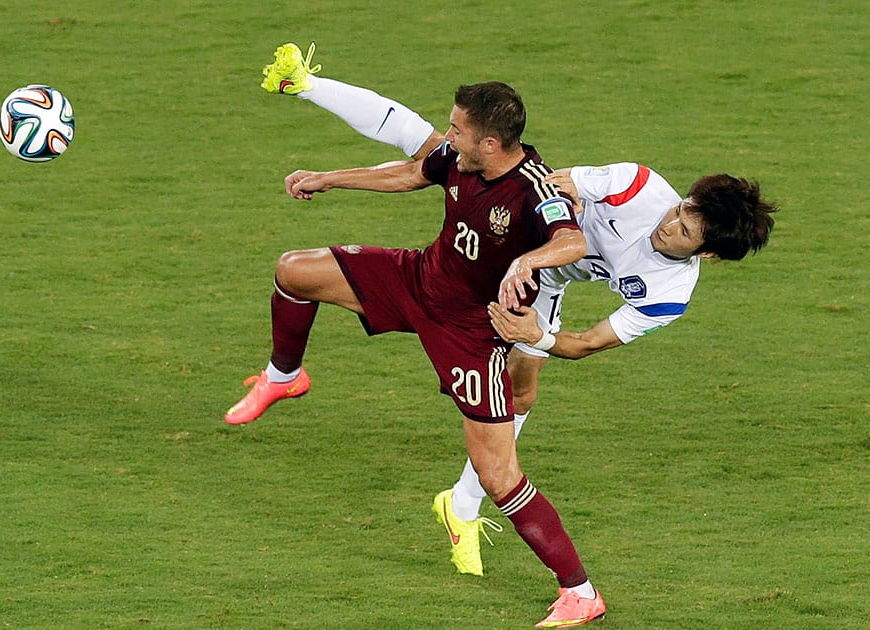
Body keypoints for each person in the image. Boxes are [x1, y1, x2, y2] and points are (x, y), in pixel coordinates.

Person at [257, 42, 779, 592]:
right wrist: (516, 226)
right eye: (681, 210)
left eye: (686, 231)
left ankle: (463, 503)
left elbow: (584, 344)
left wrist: (538, 333)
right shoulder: (640, 186)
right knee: (433, 150)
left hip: (540, 286)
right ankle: (307, 85)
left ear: (709, 254)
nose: (669, 224)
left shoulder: (669, 294)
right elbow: (554, 191)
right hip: (525, 251)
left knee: (521, 393)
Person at [230, 74, 606, 627]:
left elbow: (571, 241)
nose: (446, 137)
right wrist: (328, 178)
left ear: (491, 144)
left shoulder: (538, 189)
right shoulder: (460, 157)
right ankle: (284, 374)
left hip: (473, 333)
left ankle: (580, 592)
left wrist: (528, 262)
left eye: (457, 129)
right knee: (294, 270)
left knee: (497, 474)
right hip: (417, 280)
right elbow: (410, 172)